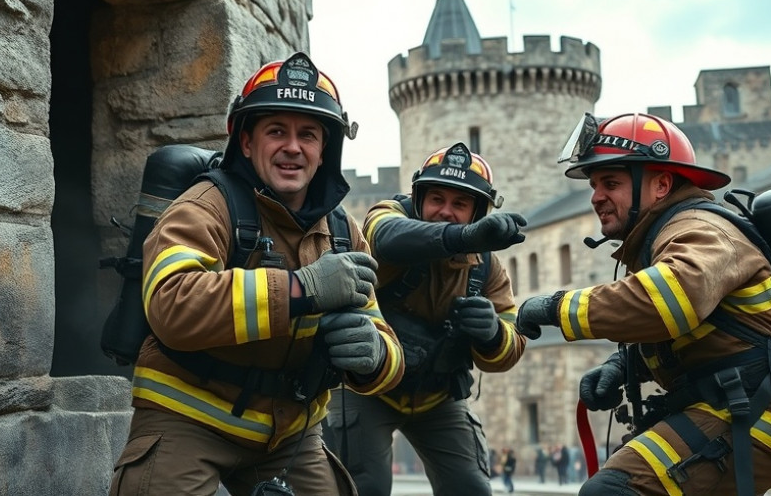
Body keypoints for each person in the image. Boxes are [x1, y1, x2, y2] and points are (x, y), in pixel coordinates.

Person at [107, 51, 405, 496]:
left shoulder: (344, 234)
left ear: (324, 151)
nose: (293, 147)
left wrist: (375, 356)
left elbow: (387, 346)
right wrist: (302, 288)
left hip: (291, 434)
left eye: (308, 134)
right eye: (276, 131)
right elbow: (172, 305)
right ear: (246, 142)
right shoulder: (204, 206)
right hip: (189, 418)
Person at [515, 112, 771, 495]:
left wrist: (556, 308)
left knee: (614, 490)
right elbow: (714, 337)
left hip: (762, 413)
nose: (596, 197)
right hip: (740, 404)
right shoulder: (662, 238)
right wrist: (621, 366)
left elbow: (671, 301)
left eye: (611, 183)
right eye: (594, 185)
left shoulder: (698, 228)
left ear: (661, 185)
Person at [325, 142, 528, 496]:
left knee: (471, 488)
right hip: (365, 387)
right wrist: (462, 237)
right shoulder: (386, 215)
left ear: (477, 212)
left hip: (438, 397)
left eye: (460, 204)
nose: (445, 211)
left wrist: (493, 334)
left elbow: (512, 343)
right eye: (436, 199)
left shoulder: (487, 268)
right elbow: (386, 238)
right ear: (418, 199)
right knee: (364, 487)